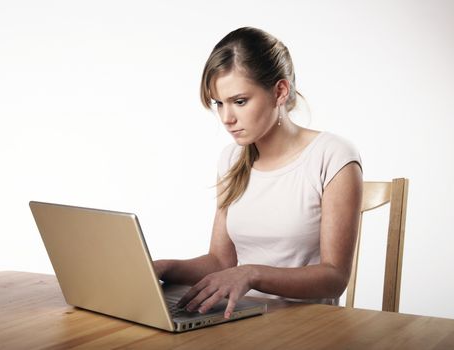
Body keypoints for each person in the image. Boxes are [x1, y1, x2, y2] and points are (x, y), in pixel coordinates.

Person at [153, 27, 363, 319]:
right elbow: (220, 261)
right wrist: (164, 267)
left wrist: (250, 274)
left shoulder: (333, 155)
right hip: (239, 316)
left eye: (239, 101)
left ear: (279, 91)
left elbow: (335, 278)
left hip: (307, 325)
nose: (227, 118)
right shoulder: (231, 158)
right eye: (219, 103)